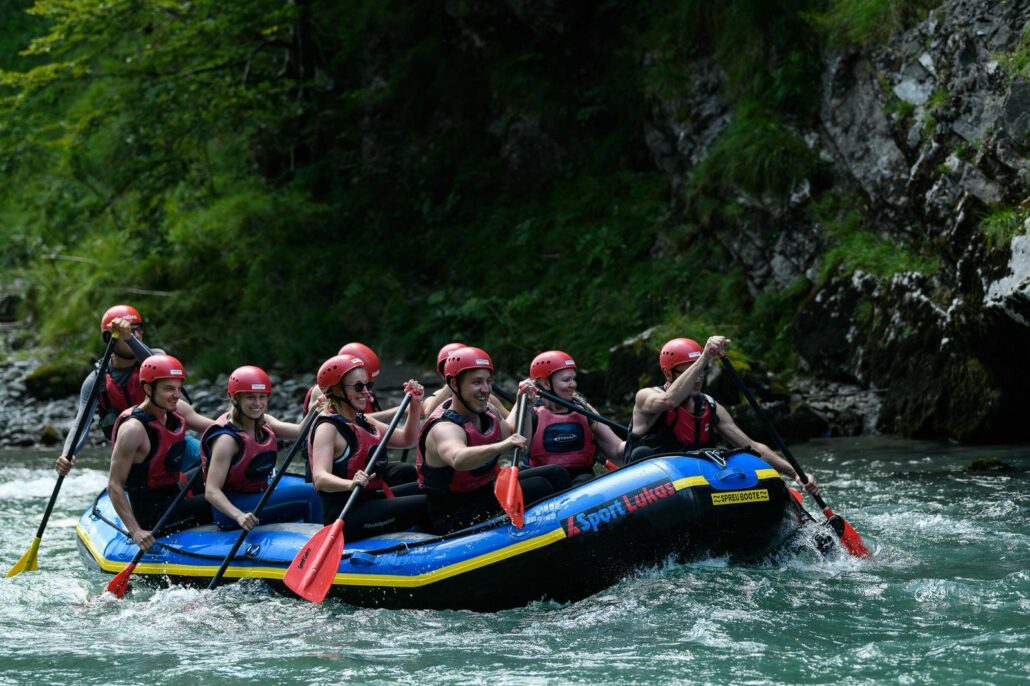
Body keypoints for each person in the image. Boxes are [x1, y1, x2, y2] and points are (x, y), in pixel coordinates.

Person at [629, 336, 819, 496]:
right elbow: (668, 402)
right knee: (642, 454)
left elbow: (752, 446)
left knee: (739, 457)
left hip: (696, 486)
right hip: (655, 491)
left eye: (701, 371)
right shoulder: (646, 396)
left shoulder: (708, 406)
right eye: (690, 370)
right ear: (667, 373)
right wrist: (703, 358)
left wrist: (795, 473)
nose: (697, 377)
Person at [416, 346, 570, 535]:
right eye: (477, 382)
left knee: (555, 473)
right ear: (454, 385)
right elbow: (458, 458)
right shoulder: (444, 428)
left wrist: (524, 403)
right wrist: (501, 446)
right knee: (539, 486)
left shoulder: (488, 412)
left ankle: (573, 527)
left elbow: (519, 441)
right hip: (454, 514)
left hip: (484, 492)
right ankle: (560, 534)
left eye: (488, 382)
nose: (486, 389)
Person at [55, 305, 215, 476]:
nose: (136, 335)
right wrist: (66, 455)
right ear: (110, 337)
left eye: (138, 330)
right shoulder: (96, 381)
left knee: (219, 459)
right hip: (136, 454)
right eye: (129, 331)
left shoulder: (155, 358)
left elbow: (155, 364)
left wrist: (129, 338)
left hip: (173, 443)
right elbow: (81, 424)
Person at [309, 354, 429, 539]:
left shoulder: (362, 420)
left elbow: (407, 440)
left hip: (370, 500)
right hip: (345, 516)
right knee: (425, 503)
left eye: (368, 385)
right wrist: (350, 484)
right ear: (337, 391)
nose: (367, 392)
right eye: (358, 386)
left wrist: (414, 404)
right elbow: (320, 477)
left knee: (431, 487)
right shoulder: (327, 428)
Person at [106, 354, 211, 553]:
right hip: (155, 514)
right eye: (169, 389)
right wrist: (136, 531)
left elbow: (215, 429)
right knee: (220, 500)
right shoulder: (133, 430)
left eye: (179, 388)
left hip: (173, 490)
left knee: (212, 467)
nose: (176, 395)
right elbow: (114, 485)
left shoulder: (176, 409)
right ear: (148, 389)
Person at [200, 366, 320, 530]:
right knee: (312, 493)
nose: (257, 404)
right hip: (232, 511)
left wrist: (314, 410)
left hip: (256, 497)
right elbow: (211, 491)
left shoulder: (265, 422)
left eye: (262, 397)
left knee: (314, 491)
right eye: (250, 397)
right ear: (235, 398)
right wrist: (239, 516)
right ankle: (319, 545)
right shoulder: (226, 440)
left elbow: (299, 432)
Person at [524, 350, 625, 485]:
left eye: (573, 379)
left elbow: (616, 448)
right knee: (556, 475)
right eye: (566, 380)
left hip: (581, 482)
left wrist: (639, 445)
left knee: (585, 480)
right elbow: (518, 447)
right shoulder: (530, 413)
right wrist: (522, 403)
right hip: (545, 487)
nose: (573, 384)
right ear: (546, 383)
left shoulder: (583, 409)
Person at [421, 341, 509, 419]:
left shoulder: (489, 398)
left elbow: (512, 424)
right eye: (447, 366)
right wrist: (455, 378)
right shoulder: (435, 395)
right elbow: (429, 413)